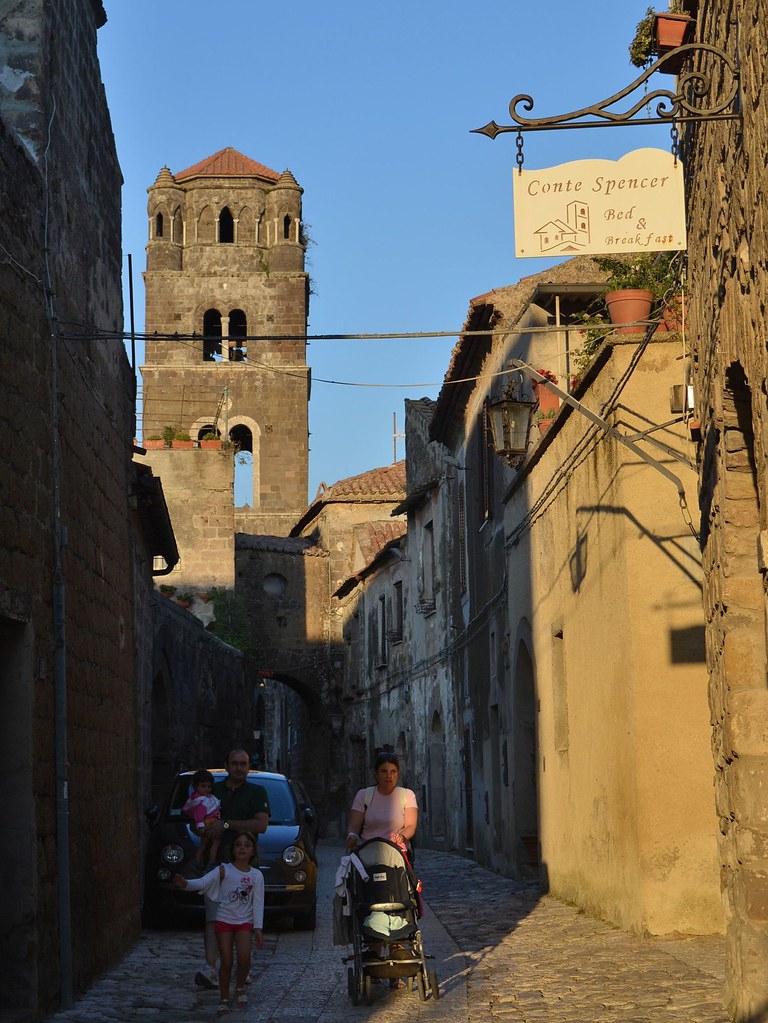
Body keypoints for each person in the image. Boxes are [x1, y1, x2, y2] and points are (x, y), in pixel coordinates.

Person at [194, 750, 270, 991]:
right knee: (213, 916)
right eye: (235, 764)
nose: (239, 768)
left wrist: (225, 824)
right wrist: (205, 830)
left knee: (243, 918)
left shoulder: (257, 792)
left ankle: (241, 969)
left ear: (248, 767)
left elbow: (261, 824)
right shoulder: (211, 791)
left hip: (244, 864)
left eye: (244, 764)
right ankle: (212, 968)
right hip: (216, 863)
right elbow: (196, 817)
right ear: (226, 765)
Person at [175, 831, 264, 1016]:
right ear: (232, 849)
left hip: (244, 922)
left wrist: (258, 928)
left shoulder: (257, 876)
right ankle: (224, 998)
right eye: (238, 844)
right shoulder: (223, 870)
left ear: (253, 851)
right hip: (224, 920)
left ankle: (239, 987)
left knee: (245, 957)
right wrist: (186, 884)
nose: (242, 848)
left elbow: (258, 903)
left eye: (247, 845)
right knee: (226, 961)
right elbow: (203, 882)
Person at [345, 751, 418, 858]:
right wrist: (352, 836)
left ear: (398, 773)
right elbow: (354, 826)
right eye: (384, 771)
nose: (389, 776)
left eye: (393, 771)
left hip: (397, 854)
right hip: (368, 853)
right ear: (376, 773)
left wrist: (400, 836)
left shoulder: (407, 795)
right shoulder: (363, 795)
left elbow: (411, 826)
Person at [182, 769, 222, 867]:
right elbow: (198, 816)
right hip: (209, 823)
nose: (206, 789)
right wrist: (201, 827)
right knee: (214, 842)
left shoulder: (202, 799)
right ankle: (210, 862)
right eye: (203, 786)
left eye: (209, 786)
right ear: (195, 786)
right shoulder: (201, 801)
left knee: (204, 845)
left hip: (210, 822)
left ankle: (199, 862)